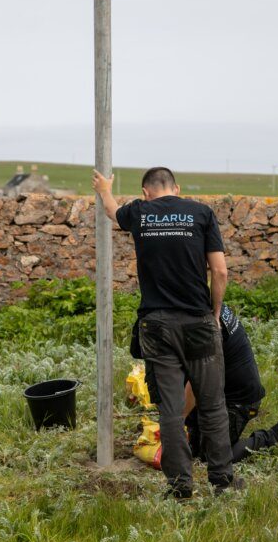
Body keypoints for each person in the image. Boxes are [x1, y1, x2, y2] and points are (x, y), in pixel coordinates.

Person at [92, 166, 239, 499]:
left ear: (146, 192)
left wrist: (104, 188)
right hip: (199, 322)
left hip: (157, 326)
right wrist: (215, 312)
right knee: (213, 405)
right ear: (177, 188)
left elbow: (112, 212)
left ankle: (180, 486)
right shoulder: (201, 213)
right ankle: (222, 483)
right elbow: (219, 270)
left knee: (171, 411)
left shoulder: (140, 212)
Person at [184, 303, 278, 462]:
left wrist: (175, 421)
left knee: (213, 457)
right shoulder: (206, 302)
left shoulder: (203, 320)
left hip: (239, 401)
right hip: (218, 391)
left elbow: (198, 379)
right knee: (193, 450)